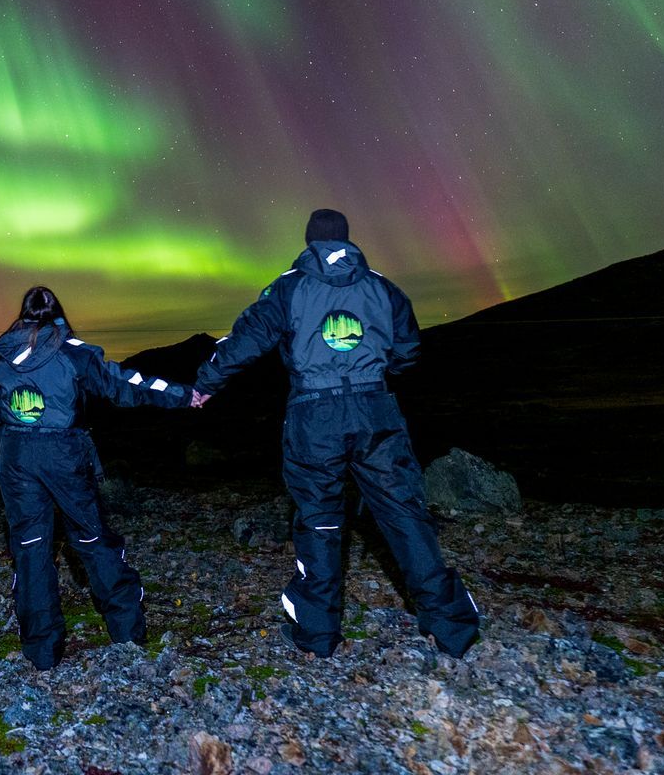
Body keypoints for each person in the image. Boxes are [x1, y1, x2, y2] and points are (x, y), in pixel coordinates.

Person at [191, 208, 480, 659]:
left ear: (309, 243)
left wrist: (205, 384)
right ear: (348, 240)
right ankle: (453, 629)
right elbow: (408, 349)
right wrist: (376, 375)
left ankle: (318, 634)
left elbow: (245, 339)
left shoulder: (287, 287)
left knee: (319, 520)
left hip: (314, 415)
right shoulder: (384, 287)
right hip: (375, 411)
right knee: (404, 514)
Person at [0, 285, 190, 669]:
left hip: (15, 456)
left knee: (30, 548)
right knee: (93, 539)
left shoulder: (4, 353)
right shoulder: (71, 352)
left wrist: (11, 447)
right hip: (62, 453)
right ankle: (127, 634)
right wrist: (181, 395)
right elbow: (122, 385)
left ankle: (42, 653)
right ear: (58, 316)